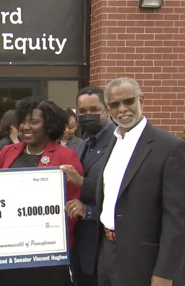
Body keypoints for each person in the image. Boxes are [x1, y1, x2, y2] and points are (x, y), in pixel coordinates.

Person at [96, 77, 185, 286]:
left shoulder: (169, 147)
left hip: (147, 261)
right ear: (108, 109)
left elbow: (178, 217)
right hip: (110, 255)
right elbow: (117, 192)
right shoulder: (113, 143)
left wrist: (165, 273)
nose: (122, 109)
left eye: (128, 101)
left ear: (140, 100)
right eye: (115, 105)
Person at [0, 96, 82, 286]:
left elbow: (74, 204)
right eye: (23, 121)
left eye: (33, 122)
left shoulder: (66, 156)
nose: (25, 127)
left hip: (48, 256)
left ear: (49, 125)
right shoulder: (7, 152)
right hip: (11, 253)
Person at [60, 86, 116, 286]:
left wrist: (88, 207)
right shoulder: (84, 143)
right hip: (82, 247)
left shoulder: (118, 143)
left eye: (94, 110)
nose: (87, 115)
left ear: (107, 110)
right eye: (82, 111)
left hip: (104, 247)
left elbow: (121, 192)